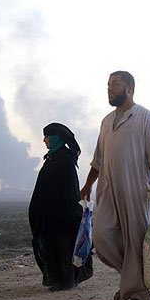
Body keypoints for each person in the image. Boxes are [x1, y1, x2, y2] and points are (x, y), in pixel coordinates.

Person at [80, 71, 150, 300]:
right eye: (108, 85)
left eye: (115, 84)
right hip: (108, 191)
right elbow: (98, 159)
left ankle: (138, 295)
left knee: (134, 242)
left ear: (129, 87)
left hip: (137, 192)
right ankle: (134, 281)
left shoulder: (146, 118)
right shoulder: (106, 121)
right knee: (101, 238)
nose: (109, 89)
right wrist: (88, 184)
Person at [29, 123, 93, 291]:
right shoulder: (54, 158)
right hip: (52, 215)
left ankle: (66, 281)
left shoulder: (64, 161)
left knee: (63, 248)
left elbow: (67, 191)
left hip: (62, 216)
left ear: (56, 138)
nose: (44, 140)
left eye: (47, 137)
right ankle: (60, 280)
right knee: (56, 248)